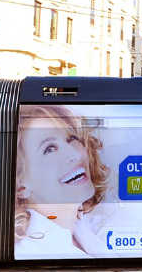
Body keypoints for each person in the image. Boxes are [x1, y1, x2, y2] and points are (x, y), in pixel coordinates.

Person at [14, 105, 110, 259]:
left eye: (72, 139)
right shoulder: (28, 252)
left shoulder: (91, 227)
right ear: (20, 186)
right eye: (50, 149)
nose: (75, 155)